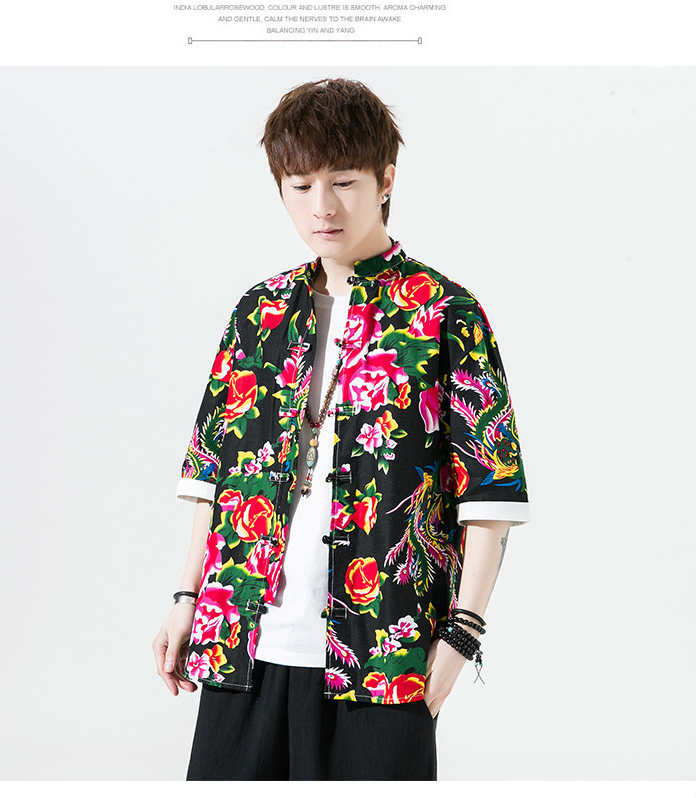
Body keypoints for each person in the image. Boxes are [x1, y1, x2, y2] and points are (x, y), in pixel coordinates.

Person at [152, 77, 530, 781]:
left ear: (386, 179)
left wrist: (461, 637)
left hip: (384, 653)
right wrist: (185, 599)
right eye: (300, 186)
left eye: (344, 182)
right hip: (241, 641)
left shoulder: (445, 312)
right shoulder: (258, 313)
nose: (321, 207)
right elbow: (214, 476)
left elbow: (489, 496)